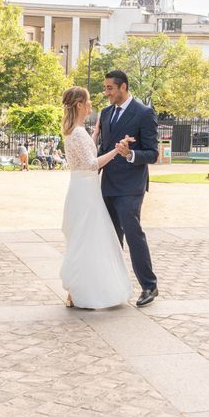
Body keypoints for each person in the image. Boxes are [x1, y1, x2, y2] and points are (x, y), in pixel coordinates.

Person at [60, 86, 132, 309]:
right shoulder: (78, 132)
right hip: (87, 190)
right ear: (80, 104)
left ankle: (77, 289)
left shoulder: (74, 130)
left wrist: (97, 131)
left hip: (80, 187)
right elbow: (91, 163)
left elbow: (85, 152)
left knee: (83, 237)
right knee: (90, 238)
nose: (91, 104)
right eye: (88, 101)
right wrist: (117, 150)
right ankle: (84, 290)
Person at [99, 70, 159, 307]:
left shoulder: (144, 113)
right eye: (105, 88)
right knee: (111, 238)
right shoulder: (105, 114)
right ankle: (114, 287)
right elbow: (104, 148)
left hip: (130, 187)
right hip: (107, 186)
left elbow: (153, 153)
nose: (106, 93)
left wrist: (131, 153)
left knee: (133, 235)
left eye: (110, 88)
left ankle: (149, 286)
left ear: (123, 87)